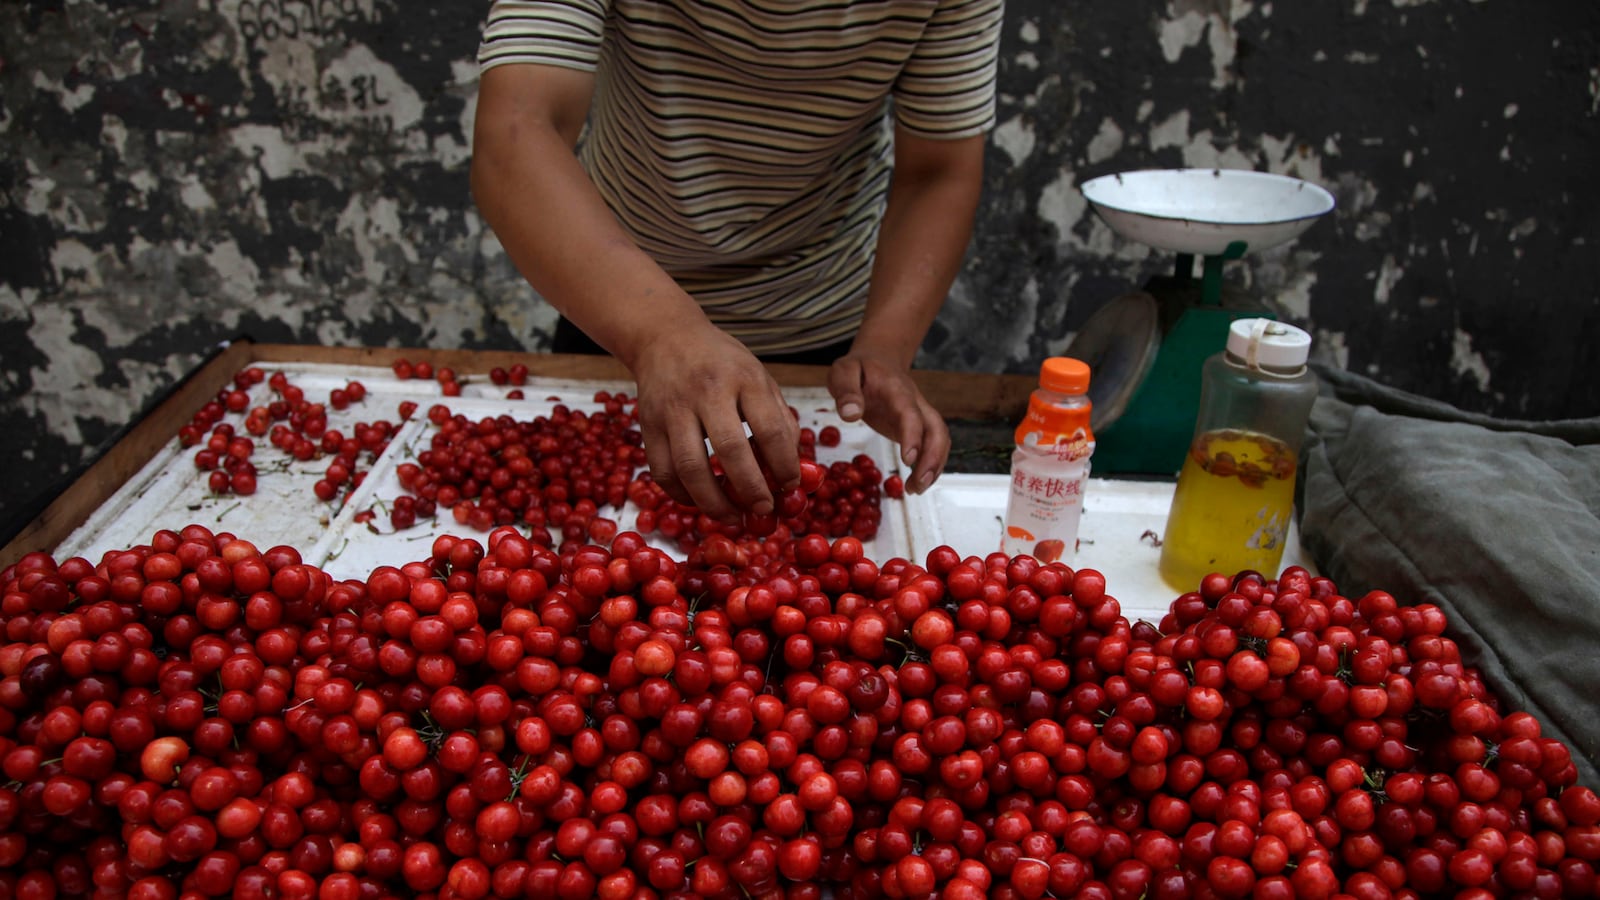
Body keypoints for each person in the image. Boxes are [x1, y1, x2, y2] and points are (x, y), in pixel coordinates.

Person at [471, 0, 1004, 523]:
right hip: (616, 308)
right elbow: (517, 131)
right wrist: (660, 333)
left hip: (821, 319)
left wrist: (886, 347)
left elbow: (939, 170)